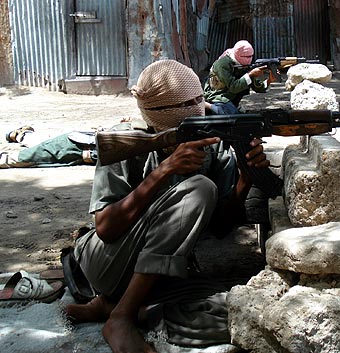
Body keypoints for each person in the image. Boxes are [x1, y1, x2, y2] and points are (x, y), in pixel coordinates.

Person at [64, 59, 270, 353]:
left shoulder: (215, 140)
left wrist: (245, 180)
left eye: (200, 98)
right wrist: (164, 171)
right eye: (189, 103)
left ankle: (124, 308)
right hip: (108, 263)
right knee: (200, 188)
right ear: (159, 113)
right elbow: (105, 229)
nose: (200, 108)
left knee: (241, 313)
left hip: (161, 274)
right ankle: (121, 319)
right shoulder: (127, 141)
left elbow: (223, 227)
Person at [203, 40, 276, 115]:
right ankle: (206, 105)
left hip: (230, 98)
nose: (249, 59)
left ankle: (232, 107)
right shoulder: (222, 64)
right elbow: (233, 87)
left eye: (251, 56)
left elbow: (257, 87)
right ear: (238, 55)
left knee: (238, 115)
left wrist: (269, 80)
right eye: (247, 57)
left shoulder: (243, 64)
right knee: (229, 114)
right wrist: (250, 74)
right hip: (217, 96)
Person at [1, 126, 98, 168]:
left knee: (48, 143)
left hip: (86, 145)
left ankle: (21, 134)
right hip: (78, 146)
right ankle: (21, 135)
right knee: (22, 158)